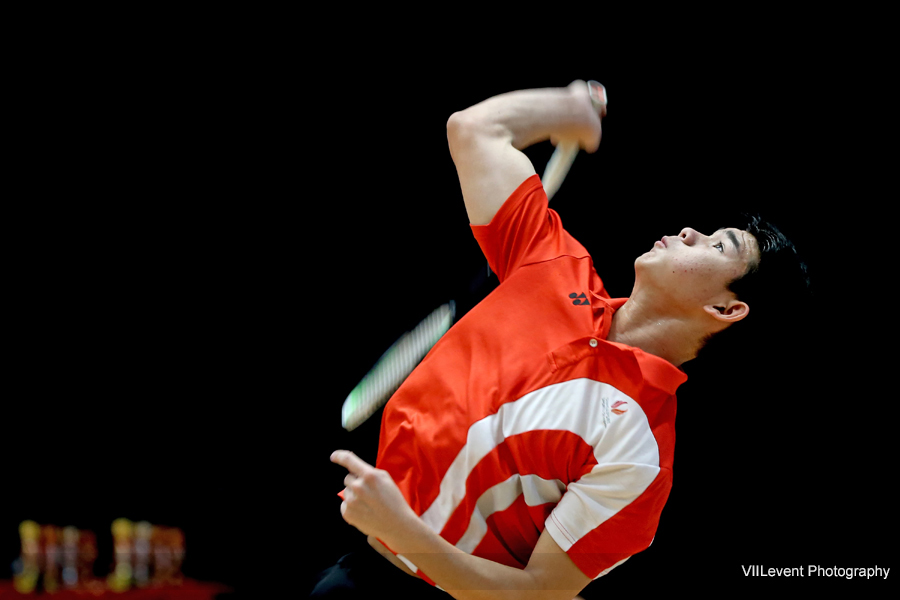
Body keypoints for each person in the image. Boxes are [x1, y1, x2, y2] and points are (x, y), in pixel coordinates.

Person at [310, 80, 808, 599]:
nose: (689, 232)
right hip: (356, 570)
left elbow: (539, 594)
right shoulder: (553, 267)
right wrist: (568, 110)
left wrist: (403, 532)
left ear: (726, 309)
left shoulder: (639, 452)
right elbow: (475, 130)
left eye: (717, 244)